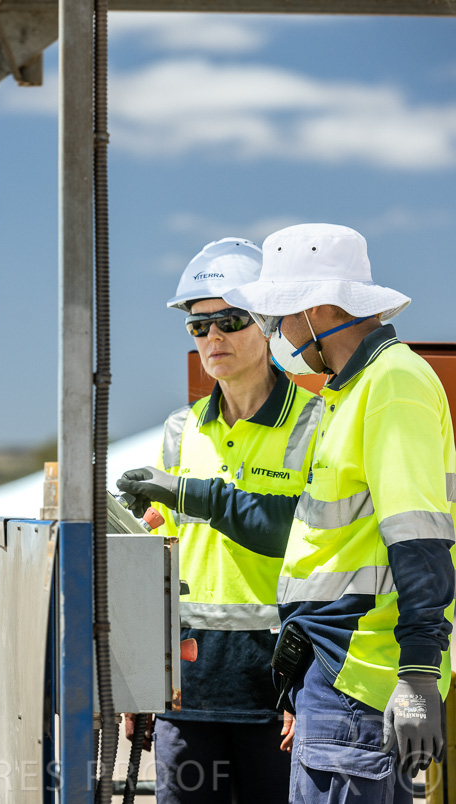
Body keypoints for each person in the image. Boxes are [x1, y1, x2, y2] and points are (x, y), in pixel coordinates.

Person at [118, 224, 456, 804]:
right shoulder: (347, 394)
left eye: (269, 315)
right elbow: (309, 535)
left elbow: (418, 540)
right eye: (199, 325)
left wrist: (419, 673)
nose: (277, 330)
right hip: (305, 676)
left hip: (352, 676)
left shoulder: (383, 386)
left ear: (316, 308)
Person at [122, 238, 321, 803]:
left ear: (269, 324)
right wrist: (139, 678)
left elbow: (326, 555)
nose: (213, 337)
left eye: (229, 321)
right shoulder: (180, 431)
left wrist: (310, 690)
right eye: (198, 326)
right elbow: (156, 558)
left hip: (279, 690)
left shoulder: (316, 424)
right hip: (188, 692)